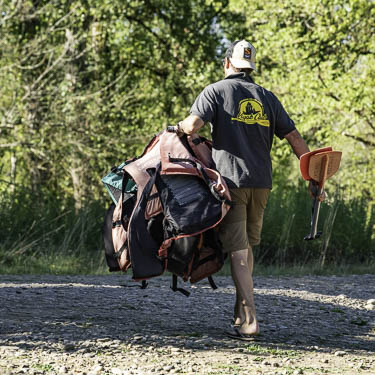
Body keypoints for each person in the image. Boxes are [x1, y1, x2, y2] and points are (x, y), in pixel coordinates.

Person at [177, 40, 318, 340]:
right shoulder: (267, 97)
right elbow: (293, 137)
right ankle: (240, 313)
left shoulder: (216, 91)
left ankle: (251, 321)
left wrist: (177, 126)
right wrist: (312, 177)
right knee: (246, 249)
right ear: (251, 67)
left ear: (227, 63)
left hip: (232, 183)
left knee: (239, 252)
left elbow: (192, 127)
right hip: (262, 184)